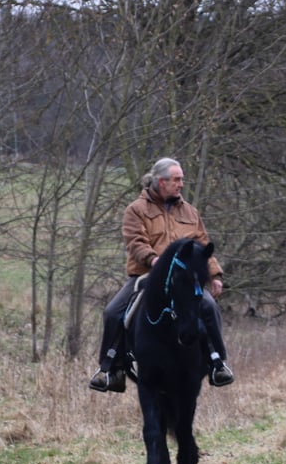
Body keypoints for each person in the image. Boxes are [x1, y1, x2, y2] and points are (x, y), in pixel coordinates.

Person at [89, 157, 235, 392]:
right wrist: (154, 260)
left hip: (184, 279)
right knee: (112, 312)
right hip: (147, 276)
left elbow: (202, 244)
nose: (180, 184)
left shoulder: (190, 212)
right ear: (160, 181)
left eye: (182, 180)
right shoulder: (136, 210)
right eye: (176, 180)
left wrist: (214, 275)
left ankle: (217, 363)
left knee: (208, 307)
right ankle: (110, 369)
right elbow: (135, 242)